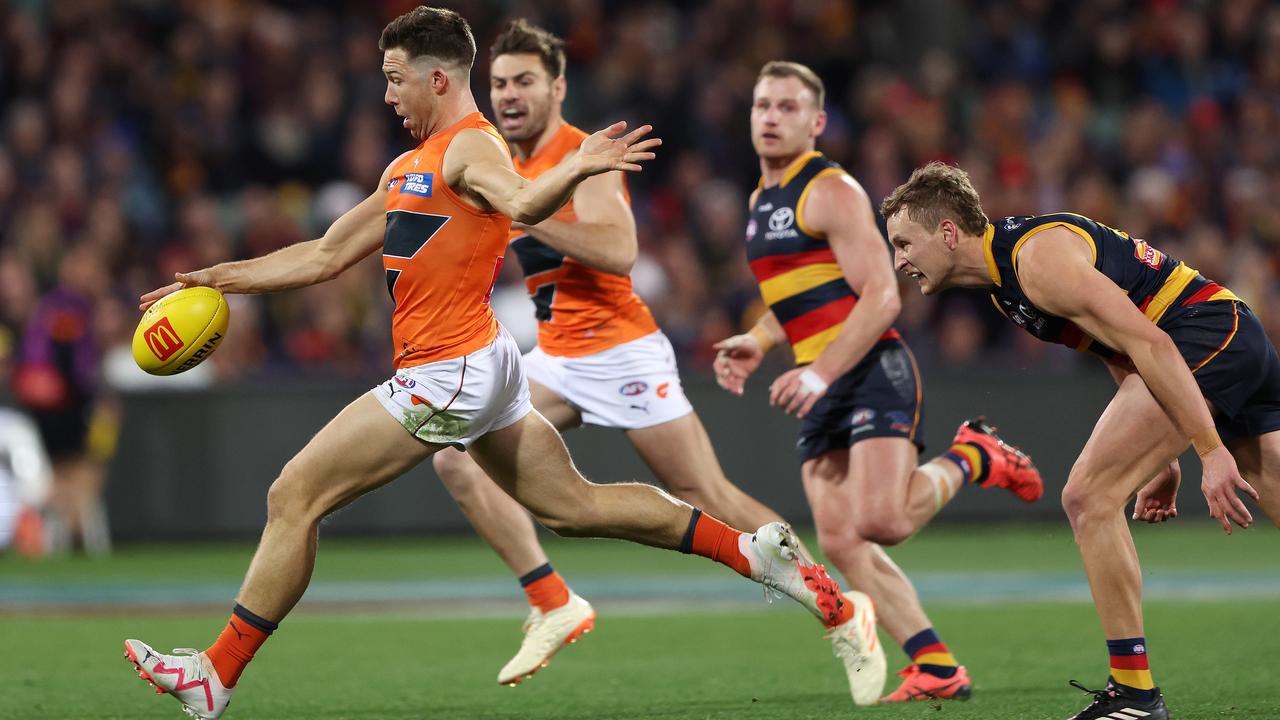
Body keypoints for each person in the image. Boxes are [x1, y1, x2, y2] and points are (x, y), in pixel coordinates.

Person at [122, 8, 850, 719]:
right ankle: (755, 554)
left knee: (294, 495)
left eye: (395, 78)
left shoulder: (473, 147)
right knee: (574, 508)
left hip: (449, 371)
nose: (386, 93)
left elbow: (525, 201)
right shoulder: (410, 165)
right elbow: (323, 254)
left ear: (439, 80)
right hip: (484, 364)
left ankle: (215, 674)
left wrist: (578, 166)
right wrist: (218, 277)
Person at [425, 19, 884, 700]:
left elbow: (618, 249)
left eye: (525, 80)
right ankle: (552, 600)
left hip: (619, 351)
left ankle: (841, 611)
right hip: (554, 355)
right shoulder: (496, 155)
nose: (510, 94)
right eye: (499, 82)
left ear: (558, 87)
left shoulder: (583, 152)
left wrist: (526, 217)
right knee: (455, 454)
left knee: (713, 497)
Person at [881, 161, 1279, 720]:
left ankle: (1135, 696)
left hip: (1203, 339)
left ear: (948, 232)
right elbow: (1116, 348)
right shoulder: (1007, 285)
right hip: (1226, 335)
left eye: (904, 242)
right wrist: (1161, 461)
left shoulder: (1035, 263)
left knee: (1088, 497)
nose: (898, 259)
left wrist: (1208, 450)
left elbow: (1152, 345)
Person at [712, 63, 1045, 704]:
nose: (771, 116)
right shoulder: (760, 201)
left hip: (866, 370)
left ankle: (975, 454)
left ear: (816, 122)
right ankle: (936, 664)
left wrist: (820, 371)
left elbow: (883, 295)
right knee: (839, 538)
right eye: (762, 105)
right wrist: (757, 340)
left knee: (883, 521)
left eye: (787, 106)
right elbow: (800, 297)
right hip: (821, 377)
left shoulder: (829, 189)